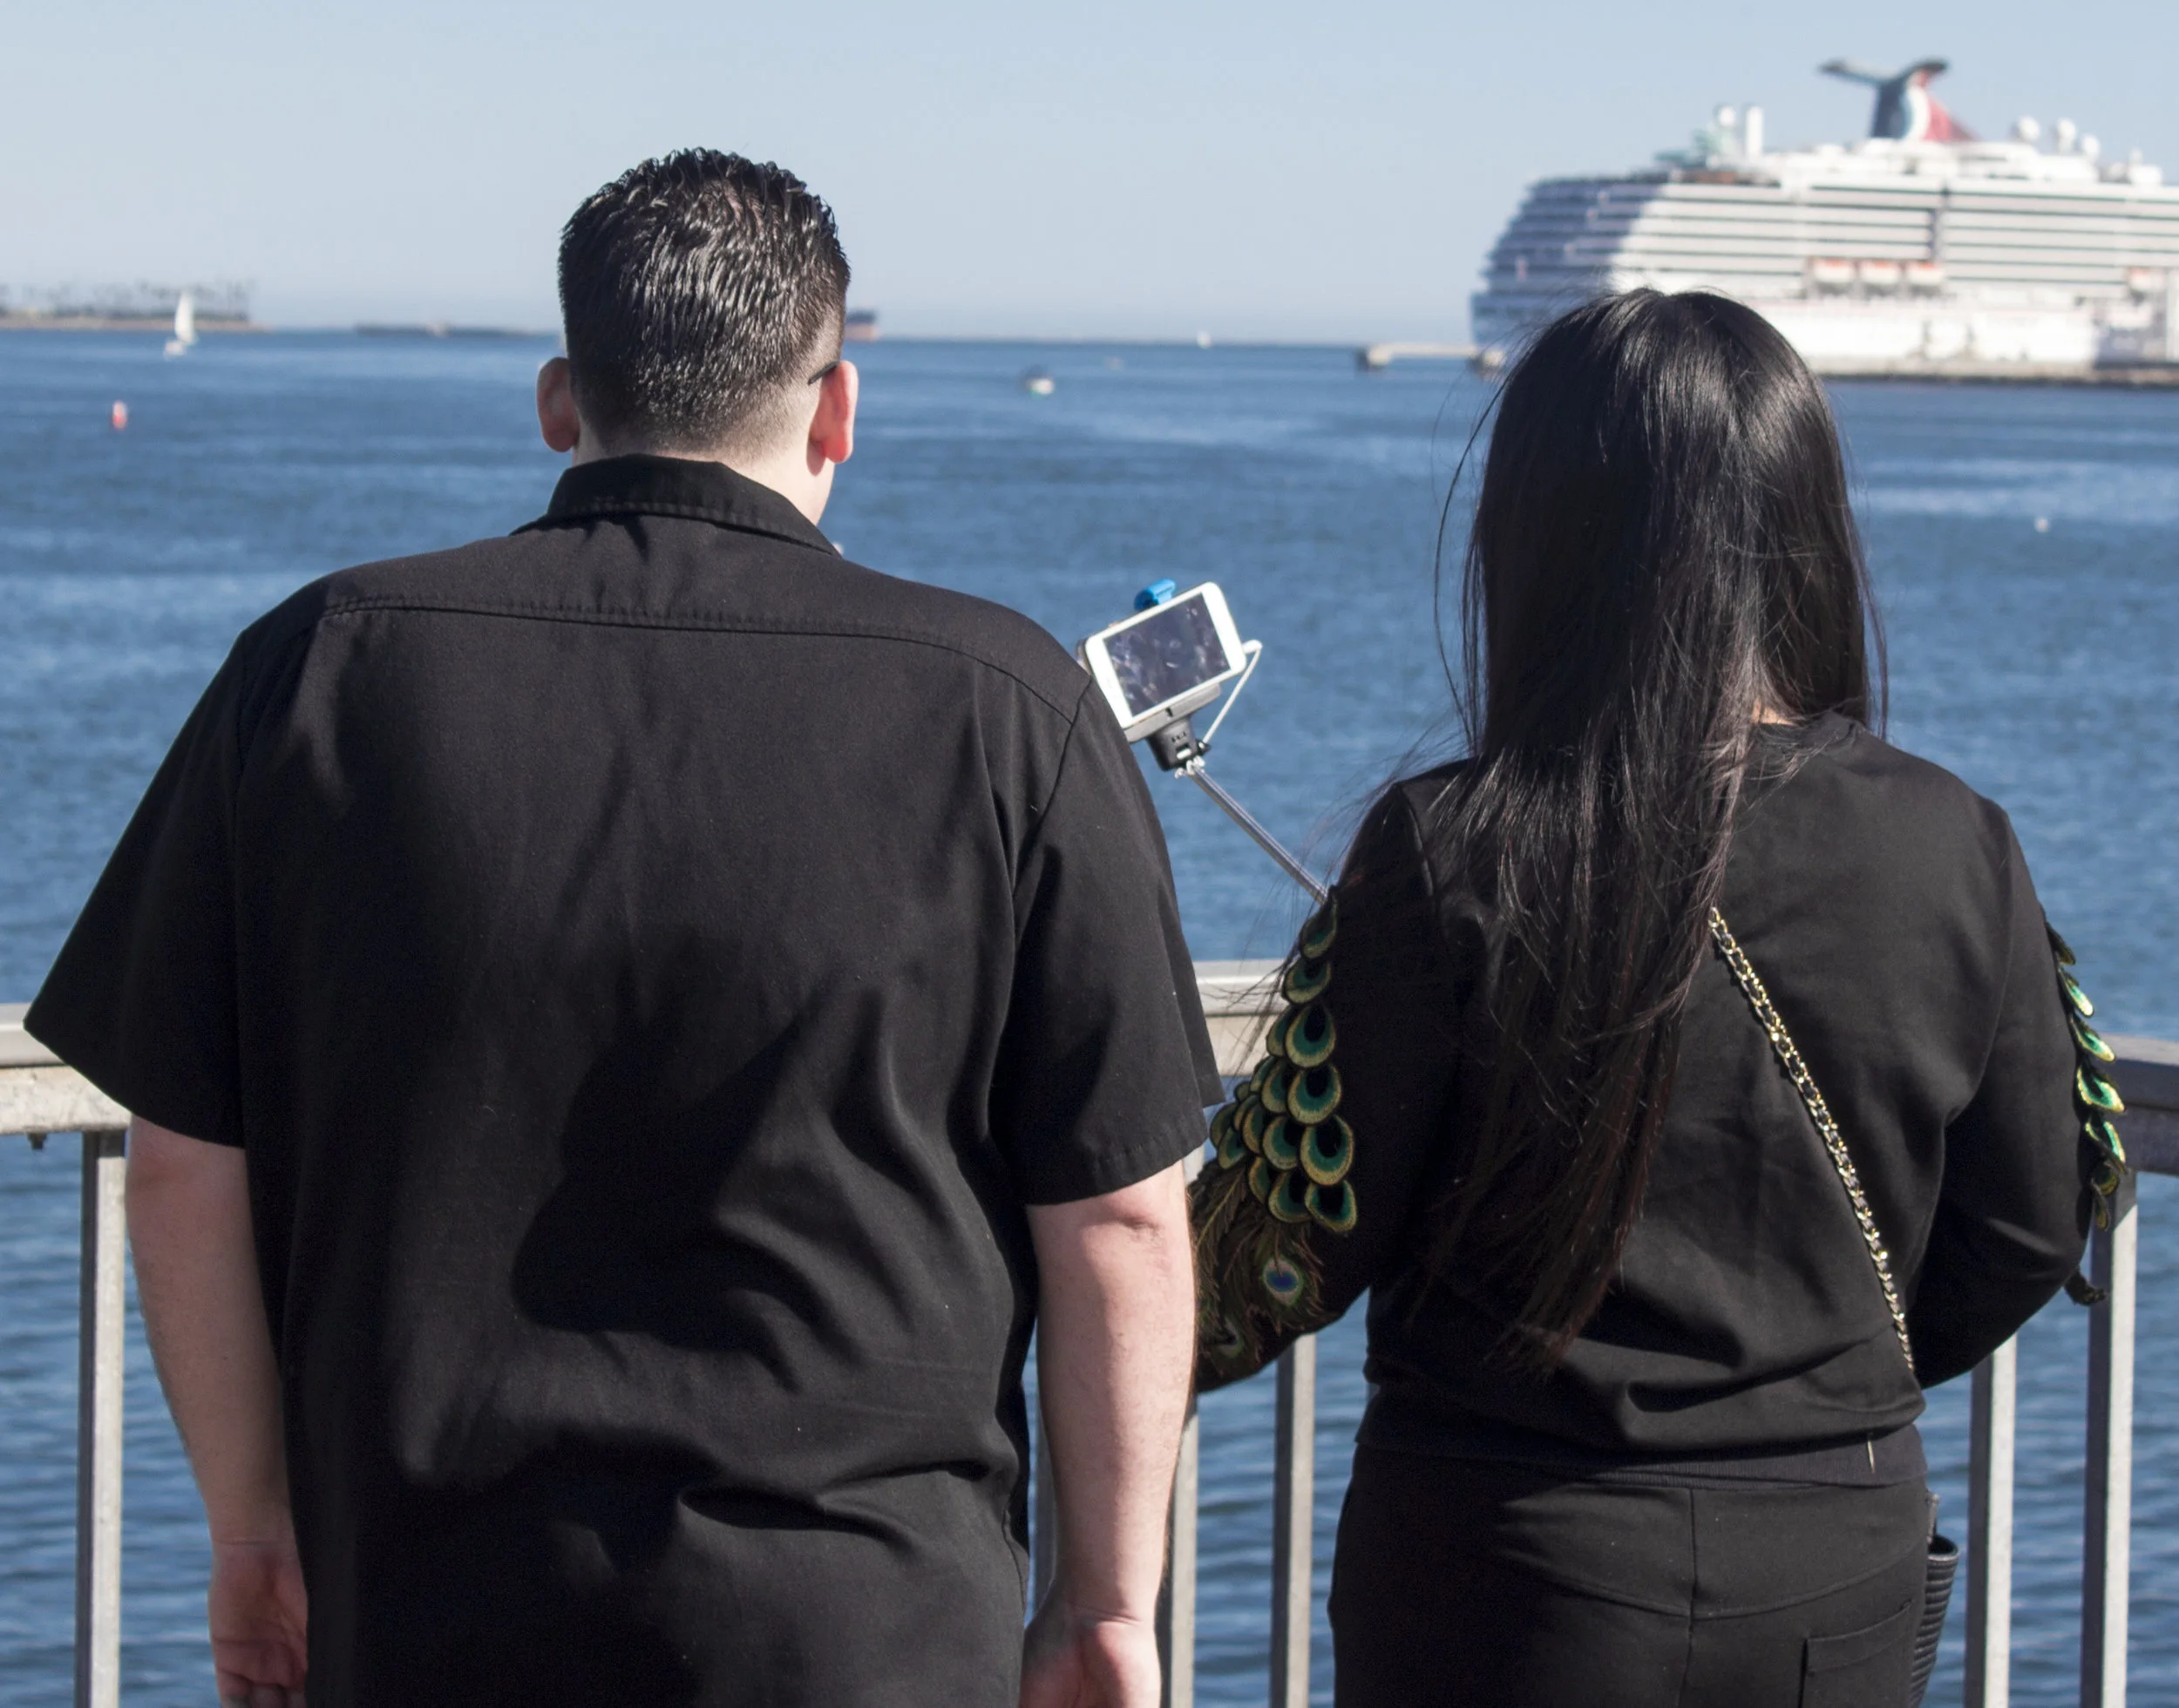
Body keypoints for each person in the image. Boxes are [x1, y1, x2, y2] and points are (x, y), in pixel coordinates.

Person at [30, 150, 1218, 1708]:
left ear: (557, 400)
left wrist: (256, 1534)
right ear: (837, 408)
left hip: (430, 1618)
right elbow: (1124, 1220)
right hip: (861, 1632)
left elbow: (180, 1159)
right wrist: (1102, 1607)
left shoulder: (318, 669)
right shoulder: (1010, 712)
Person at [1191, 289, 2103, 1708]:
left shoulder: (1447, 847)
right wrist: (1813, 1383)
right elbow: (2043, 1206)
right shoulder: (1959, 840)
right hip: (1831, 1559)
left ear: (1537, 535)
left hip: (1507, 1569)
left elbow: (1272, 1241)